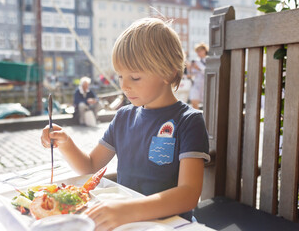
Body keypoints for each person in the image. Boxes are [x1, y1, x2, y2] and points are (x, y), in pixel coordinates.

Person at [41, 18, 210, 230]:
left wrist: (128, 210)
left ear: (169, 73)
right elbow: (90, 166)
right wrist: (65, 143)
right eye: (120, 76)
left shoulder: (188, 121)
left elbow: (188, 195)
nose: (124, 85)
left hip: (171, 224)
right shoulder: (123, 117)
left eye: (135, 77)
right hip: (125, 222)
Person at [187, 43, 208, 109]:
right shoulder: (196, 61)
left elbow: (208, 72)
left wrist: (198, 68)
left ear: (204, 50)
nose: (198, 53)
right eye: (197, 52)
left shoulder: (209, 60)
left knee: (206, 103)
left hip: (205, 84)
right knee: (194, 101)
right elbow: (192, 74)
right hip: (196, 83)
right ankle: (198, 117)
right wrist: (189, 68)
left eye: (199, 51)